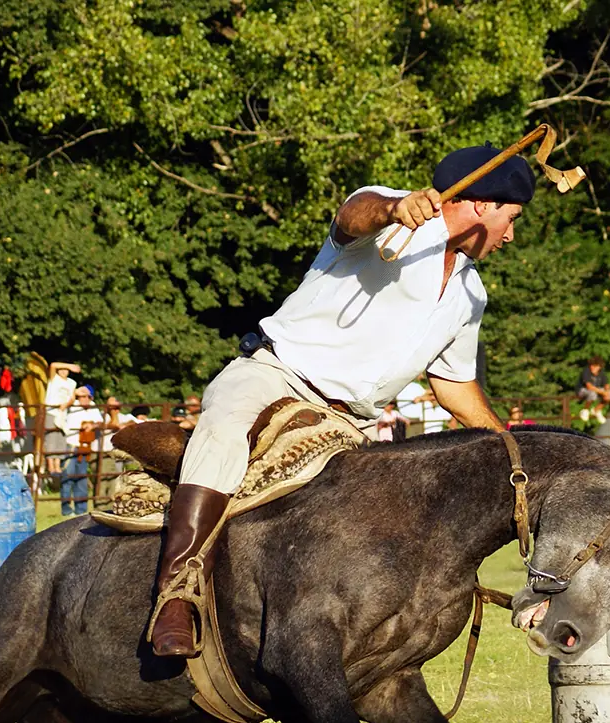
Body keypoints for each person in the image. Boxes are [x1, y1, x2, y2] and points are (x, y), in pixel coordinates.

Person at [146, 141, 527, 657]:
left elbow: (454, 386)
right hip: (275, 377)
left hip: (350, 425)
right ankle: (178, 597)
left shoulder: (470, 293)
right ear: (482, 205)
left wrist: (511, 449)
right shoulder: (395, 215)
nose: (511, 235)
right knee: (224, 429)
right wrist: (394, 209)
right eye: (512, 218)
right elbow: (352, 215)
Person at [59, 386, 102, 515]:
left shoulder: (93, 407)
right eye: (82, 396)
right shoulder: (73, 404)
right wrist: (75, 392)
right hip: (71, 445)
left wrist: (92, 425)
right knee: (67, 477)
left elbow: (100, 421)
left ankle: (81, 509)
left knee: (81, 478)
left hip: (85, 447)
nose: (84, 399)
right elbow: (65, 403)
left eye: (87, 396)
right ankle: (66, 509)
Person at [575, 357, 610, 423]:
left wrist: (607, 392)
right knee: (592, 393)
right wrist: (603, 392)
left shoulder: (602, 373)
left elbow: (606, 384)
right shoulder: (586, 371)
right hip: (582, 390)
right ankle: (585, 410)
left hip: (595, 390)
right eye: (591, 365)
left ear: (599, 367)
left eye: (595, 366)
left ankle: (597, 410)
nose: (592, 367)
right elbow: (589, 386)